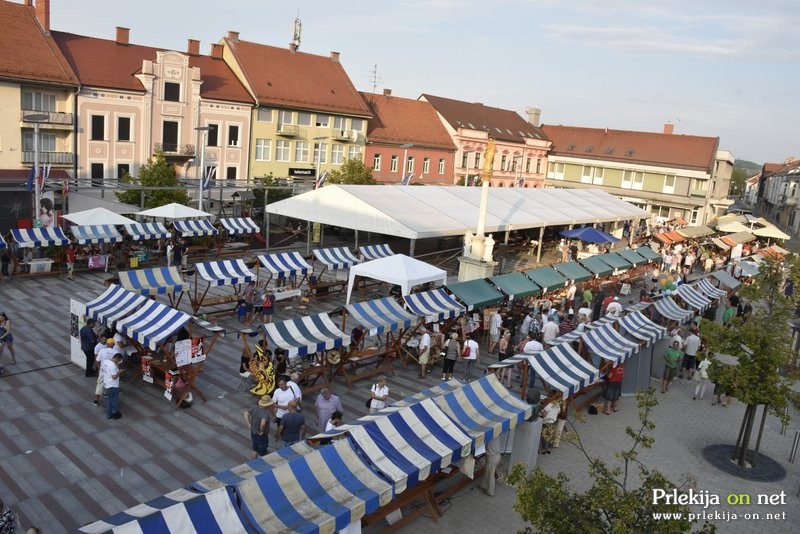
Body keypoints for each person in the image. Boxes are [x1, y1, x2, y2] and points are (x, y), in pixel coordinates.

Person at [245, 394, 275, 458]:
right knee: (262, 453)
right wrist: (262, 431)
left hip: (253, 432)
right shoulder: (265, 413)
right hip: (261, 435)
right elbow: (263, 424)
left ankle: (253, 464)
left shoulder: (254, 407)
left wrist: (249, 424)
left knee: (255, 449)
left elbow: (246, 413)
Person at [479, 432, 506, 497]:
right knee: (487, 471)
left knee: (490, 474)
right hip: (497, 456)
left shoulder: (488, 438)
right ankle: (483, 486)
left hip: (492, 457)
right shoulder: (496, 434)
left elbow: (484, 447)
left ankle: (490, 491)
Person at [101, 354, 124, 420]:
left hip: (106, 383)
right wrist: (119, 372)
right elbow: (114, 377)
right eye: (119, 361)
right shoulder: (113, 366)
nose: (118, 362)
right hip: (113, 385)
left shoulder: (105, 362)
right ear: (117, 359)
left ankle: (109, 413)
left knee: (109, 399)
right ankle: (114, 413)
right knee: (114, 400)